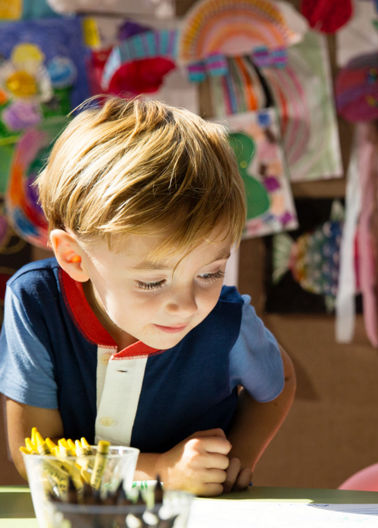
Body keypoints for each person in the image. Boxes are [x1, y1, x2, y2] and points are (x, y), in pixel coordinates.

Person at [0, 95, 296, 497]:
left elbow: (279, 384)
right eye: (152, 282)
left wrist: (238, 458)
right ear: (73, 257)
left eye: (210, 273)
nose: (187, 304)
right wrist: (161, 470)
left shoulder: (226, 321)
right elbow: (33, 458)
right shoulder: (35, 303)